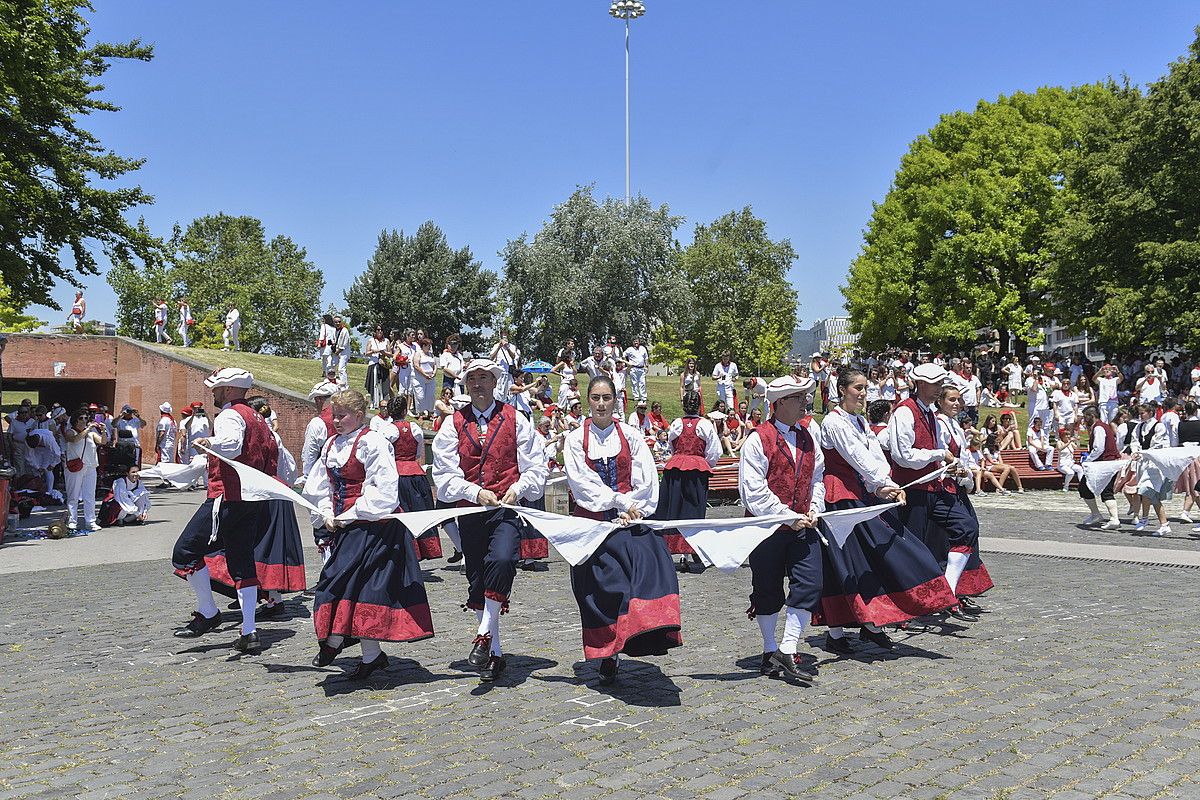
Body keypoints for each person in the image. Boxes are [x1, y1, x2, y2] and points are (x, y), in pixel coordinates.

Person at [816, 369, 957, 652]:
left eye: (866, 388)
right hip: (840, 499)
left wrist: (886, 483)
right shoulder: (833, 422)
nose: (864, 393)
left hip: (861, 495)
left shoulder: (858, 421)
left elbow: (875, 456)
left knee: (871, 558)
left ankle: (870, 623)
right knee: (843, 563)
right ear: (842, 390)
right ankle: (837, 632)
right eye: (858, 388)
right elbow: (856, 458)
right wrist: (883, 483)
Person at [431, 359, 548, 683]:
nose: (479, 384)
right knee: (479, 581)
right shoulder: (453, 423)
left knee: (503, 559)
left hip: (506, 510)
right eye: (473, 379)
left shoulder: (516, 419)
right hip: (471, 512)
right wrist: (473, 491)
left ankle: (482, 634)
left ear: (495, 383)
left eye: (484, 378)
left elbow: (536, 466)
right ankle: (494, 652)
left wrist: (518, 488)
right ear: (466, 385)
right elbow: (443, 474)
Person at [305, 389, 435, 678]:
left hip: (378, 527)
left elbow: (385, 493)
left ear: (359, 415)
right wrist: (327, 512)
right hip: (346, 527)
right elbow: (320, 486)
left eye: (343, 416)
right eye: (334, 416)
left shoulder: (373, 442)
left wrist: (348, 515)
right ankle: (367, 654)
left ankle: (337, 642)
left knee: (364, 590)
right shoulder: (331, 445)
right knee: (346, 585)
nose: (337, 421)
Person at [563, 374, 682, 684]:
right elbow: (582, 484)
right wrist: (619, 502)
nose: (601, 403)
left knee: (641, 576)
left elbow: (646, 479)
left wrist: (637, 508)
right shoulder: (576, 440)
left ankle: (634, 638)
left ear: (615, 400)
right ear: (587, 401)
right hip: (591, 524)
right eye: (596, 398)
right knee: (598, 588)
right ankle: (608, 651)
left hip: (628, 521)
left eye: (606, 397)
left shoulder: (630, 435)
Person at [171, 367, 278, 653]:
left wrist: (210, 442)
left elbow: (231, 445)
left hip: (227, 498)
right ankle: (249, 630)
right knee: (242, 562)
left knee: (184, 552)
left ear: (228, 389)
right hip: (253, 500)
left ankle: (208, 612)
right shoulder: (259, 418)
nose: (213, 394)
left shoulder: (230, 414)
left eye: (216, 389)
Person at [888, 363, 990, 621]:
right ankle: (908, 604)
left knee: (966, 526)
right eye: (935, 385)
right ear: (921, 384)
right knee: (914, 548)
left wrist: (952, 466)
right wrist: (938, 455)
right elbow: (903, 456)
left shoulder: (930, 414)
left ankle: (948, 591)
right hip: (913, 490)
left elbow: (937, 452)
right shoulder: (904, 412)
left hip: (934, 487)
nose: (938, 389)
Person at [739, 376, 824, 684]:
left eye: (805, 396)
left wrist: (815, 508)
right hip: (766, 528)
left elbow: (817, 479)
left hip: (803, 525)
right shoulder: (758, 438)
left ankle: (787, 649)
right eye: (799, 397)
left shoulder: (808, 437)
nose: (805, 401)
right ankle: (769, 648)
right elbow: (753, 492)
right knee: (767, 589)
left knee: (810, 582)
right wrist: (787, 516)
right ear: (781, 403)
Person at [656, 390, 722, 572]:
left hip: (677, 469)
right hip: (695, 471)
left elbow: (671, 446)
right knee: (692, 510)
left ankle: (679, 549)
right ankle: (689, 549)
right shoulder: (705, 425)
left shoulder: (677, 424)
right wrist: (703, 462)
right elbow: (714, 451)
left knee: (674, 509)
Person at [379, 394, 440, 559]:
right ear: (405, 410)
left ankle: (405, 551)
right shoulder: (415, 428)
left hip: (396, 477)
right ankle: (423, 549)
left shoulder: (385, 430)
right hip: (417, 475)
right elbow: (419, 452)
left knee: (401, 515)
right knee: (420, 512)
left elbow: (383, 456)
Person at [1078, 405, 1124, 530]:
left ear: (1092, 416)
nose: (1084, 419)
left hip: (1105, 464)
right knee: (1084, 487)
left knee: (1106, 491)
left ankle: (1114, 519)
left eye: (1085, 416)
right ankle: (1096, 514)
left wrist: (1087, 461)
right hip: (1104, 464)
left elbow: (1099, 448)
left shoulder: (1099, 428)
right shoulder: (1100, 426)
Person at [1129, 403, 1172, 536]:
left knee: (1148, 491)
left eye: (1143, 413)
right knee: (1145, 492)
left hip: (1154, 465)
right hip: (1143, 464)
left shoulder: (1158, 426)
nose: (1140, 415)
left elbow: (1157, 445)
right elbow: (1135, 441)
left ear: (1150, 412)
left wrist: (1141, 453)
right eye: (1140, 413)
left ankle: (1163, 524)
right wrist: (1135, 451)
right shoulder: (1139, 426)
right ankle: (1145, 519)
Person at [63, 410, 103, 531]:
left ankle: (90, 521)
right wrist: (88, 429)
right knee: (73, 496)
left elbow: (103, 441)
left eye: (86, 418)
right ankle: (72, 521)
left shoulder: (91, 433)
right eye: (81, 418)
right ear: (75, 420)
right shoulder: (70, 431)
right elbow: (75, 439)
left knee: (89, 495)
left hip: (90, 466)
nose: (84, 420)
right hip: (75, 466)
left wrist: (104, 430)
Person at [25, 427, 60, 493]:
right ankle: (37, 490)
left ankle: (49, 491)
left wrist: (53, 464)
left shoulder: (49, 439)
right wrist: (36, 467)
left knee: (48, 470)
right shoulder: (28, 440)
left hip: (48, 452)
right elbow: (29, 455)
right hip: (36, 452)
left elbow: (57, 453)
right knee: (35, 471)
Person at [489, 330, 521, 404]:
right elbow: (491, 357)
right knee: (498, 391)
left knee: (509, 391)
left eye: (506, 334)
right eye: (503, 334)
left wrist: (507, 347)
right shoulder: (496, 346)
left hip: (509, 373)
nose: (504, 336)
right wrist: (499, 347)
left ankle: (510, 406)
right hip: (499, 372)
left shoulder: (512, 346)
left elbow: (513, 356)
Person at [364, 325, 391, 409]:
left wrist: (384, 353)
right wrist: (374, 351)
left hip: (383, 365)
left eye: (381, 330)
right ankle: (373, 402)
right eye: (378, 330)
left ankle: (383, 402)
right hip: (373, 364)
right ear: (375, 331)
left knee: (384, 384)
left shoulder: (386, 341)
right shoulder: (371, 340)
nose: (379, 331)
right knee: (373, 384)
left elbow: (390, 354)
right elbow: (367, 353)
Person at [412, 338, 437, 417]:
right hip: (420, 378)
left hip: (431, 378)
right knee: (420, 396)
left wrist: (434, 373)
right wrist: (424, 375)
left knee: (430, 396)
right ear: (423, 345)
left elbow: (435, 365)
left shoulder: (431, 354)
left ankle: (430, 412)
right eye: (428, 345)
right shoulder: (418, 353)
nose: (429, 347)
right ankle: (420, 414)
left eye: (430, 345)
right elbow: (416, 365)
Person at [623, 335, 649, 404]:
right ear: (632, 342)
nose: (636, 343)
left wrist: (647, 366)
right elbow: (623, 355)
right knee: (634, 383)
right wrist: (627, 363)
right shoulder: (629, 349)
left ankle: (643, 397)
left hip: (641, 368)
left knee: (642, 383)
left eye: (637, 341)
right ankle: (636, 396)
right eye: (634, 341)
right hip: (633, 368)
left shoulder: (643, 348)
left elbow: (646, 358)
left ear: (639, 342)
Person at [331, 316, 352, 388]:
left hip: (344, 352)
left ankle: (345, 386)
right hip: (336, 351)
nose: (338, 323)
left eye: (339, 321)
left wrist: (338, 351)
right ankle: (332, 382)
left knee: (341, 369)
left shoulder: (344, 330)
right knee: (331, 365)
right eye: (336, 322)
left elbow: (345, 344)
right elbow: (334, 340)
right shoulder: (334, 330)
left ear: (341, 322)